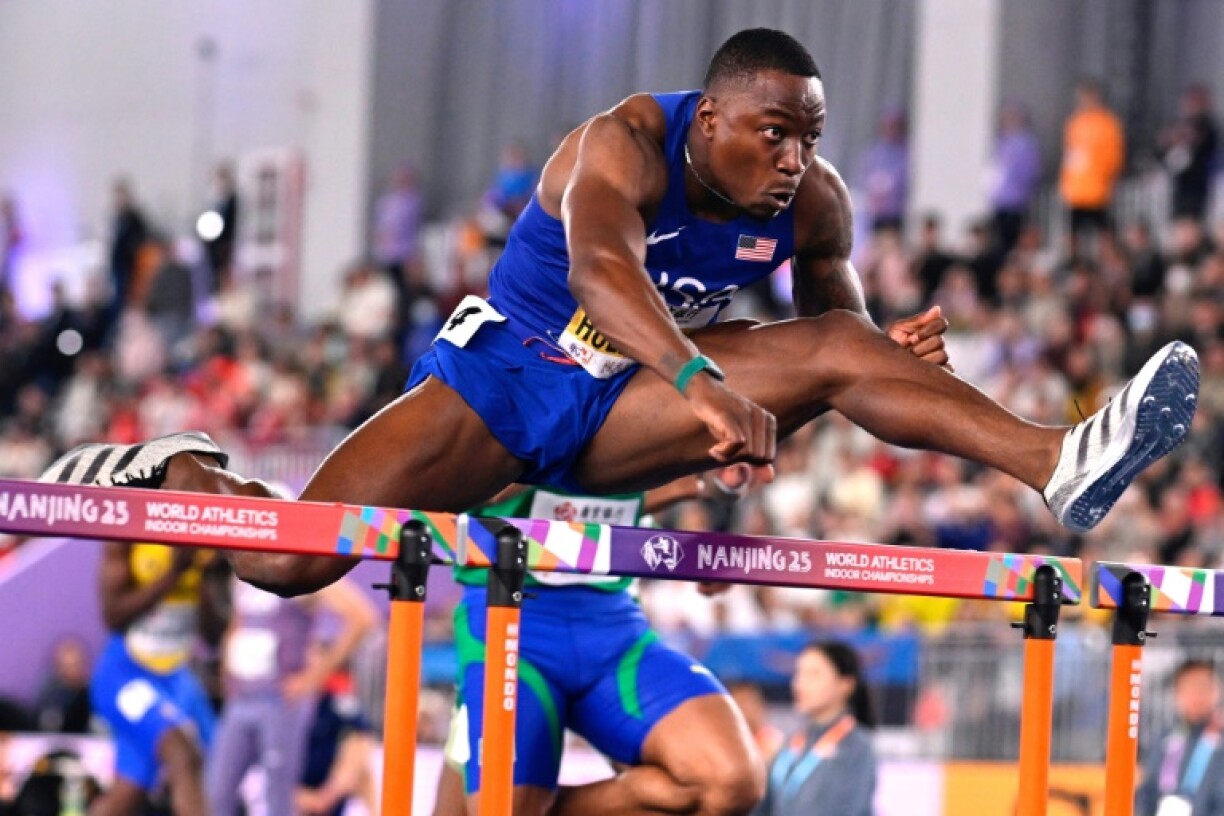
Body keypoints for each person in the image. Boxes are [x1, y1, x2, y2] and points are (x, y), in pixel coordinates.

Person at [45, 26, 1198, 805]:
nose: (796, 161)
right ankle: (174, 468)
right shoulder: (623, 142)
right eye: (773, 135)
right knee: (294, 561)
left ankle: (1059, 460)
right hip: (506, 380)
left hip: (630, 404)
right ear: (711, 123)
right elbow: (603, 275)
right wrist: (704, 388)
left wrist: (881, 359)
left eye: (810, 138)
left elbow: (829, 323)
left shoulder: (819, 200)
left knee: (844, 353)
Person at [432, 468, 760, 816]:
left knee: (730, 782)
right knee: (501, 807)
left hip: (615, 628)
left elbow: (643, 485)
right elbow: (476, 483)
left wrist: (706, 486)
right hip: (509, 617)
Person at [206, 574, 377, 816]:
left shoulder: (300, 571)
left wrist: (314, 677)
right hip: (241, 697)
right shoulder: (245, 570)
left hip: (280, 699)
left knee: (278, 793)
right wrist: (226, 668)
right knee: (218, 788)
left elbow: (362, 617)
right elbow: (238, 621)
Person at [88, 537, 227, 816]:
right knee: (184, 755)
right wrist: (173, 573)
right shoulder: (127, 540)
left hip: (175, 679)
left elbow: (213, 636)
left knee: (126, 795)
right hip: (125, 676)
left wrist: (201, 577)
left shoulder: (203, 547)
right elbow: (112, 616)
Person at [752, 640, 876, 816]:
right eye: (798, 674)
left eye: (814, 674)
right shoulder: (793, 742)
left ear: (845, 684)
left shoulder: (856, 746)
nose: (799, 683)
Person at [1136, 658, 1221, 816]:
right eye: (1189, 688)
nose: (1196, 696)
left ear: (1217, 691)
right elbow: (1147, 792)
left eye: (1203, 687)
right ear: (1178, 694)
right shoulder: (1166, 739)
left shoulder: (1219, 740)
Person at [1059, 78, 1125, 252]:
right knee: (1073, 230)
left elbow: (1114, 156)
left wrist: (1111, 180)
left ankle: (1106, 259)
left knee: (1103, 228)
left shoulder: (1108, 123)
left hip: (1098, 187)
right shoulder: (1075, 122)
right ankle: (1074, 262)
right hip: (1076, 189)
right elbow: (1070, 155)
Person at [1158, 84, 1219, 224]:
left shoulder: (1209, 127)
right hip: (1179, 187)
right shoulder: (1178, 124)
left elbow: (1201, 145)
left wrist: (1185, 137)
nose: (1192, 106)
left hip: (1199, 188)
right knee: (1180, 223)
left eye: (1196, 102)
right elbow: (1163, 147)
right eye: (1190, 101)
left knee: (1193, 224)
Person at [989, 101, 1042, 257]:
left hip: (1017, 201)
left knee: (1013, 238)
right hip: (1001, 199)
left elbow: (1031, 172)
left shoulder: (1026, 143)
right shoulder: (1001, 142)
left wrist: (1023, 190)